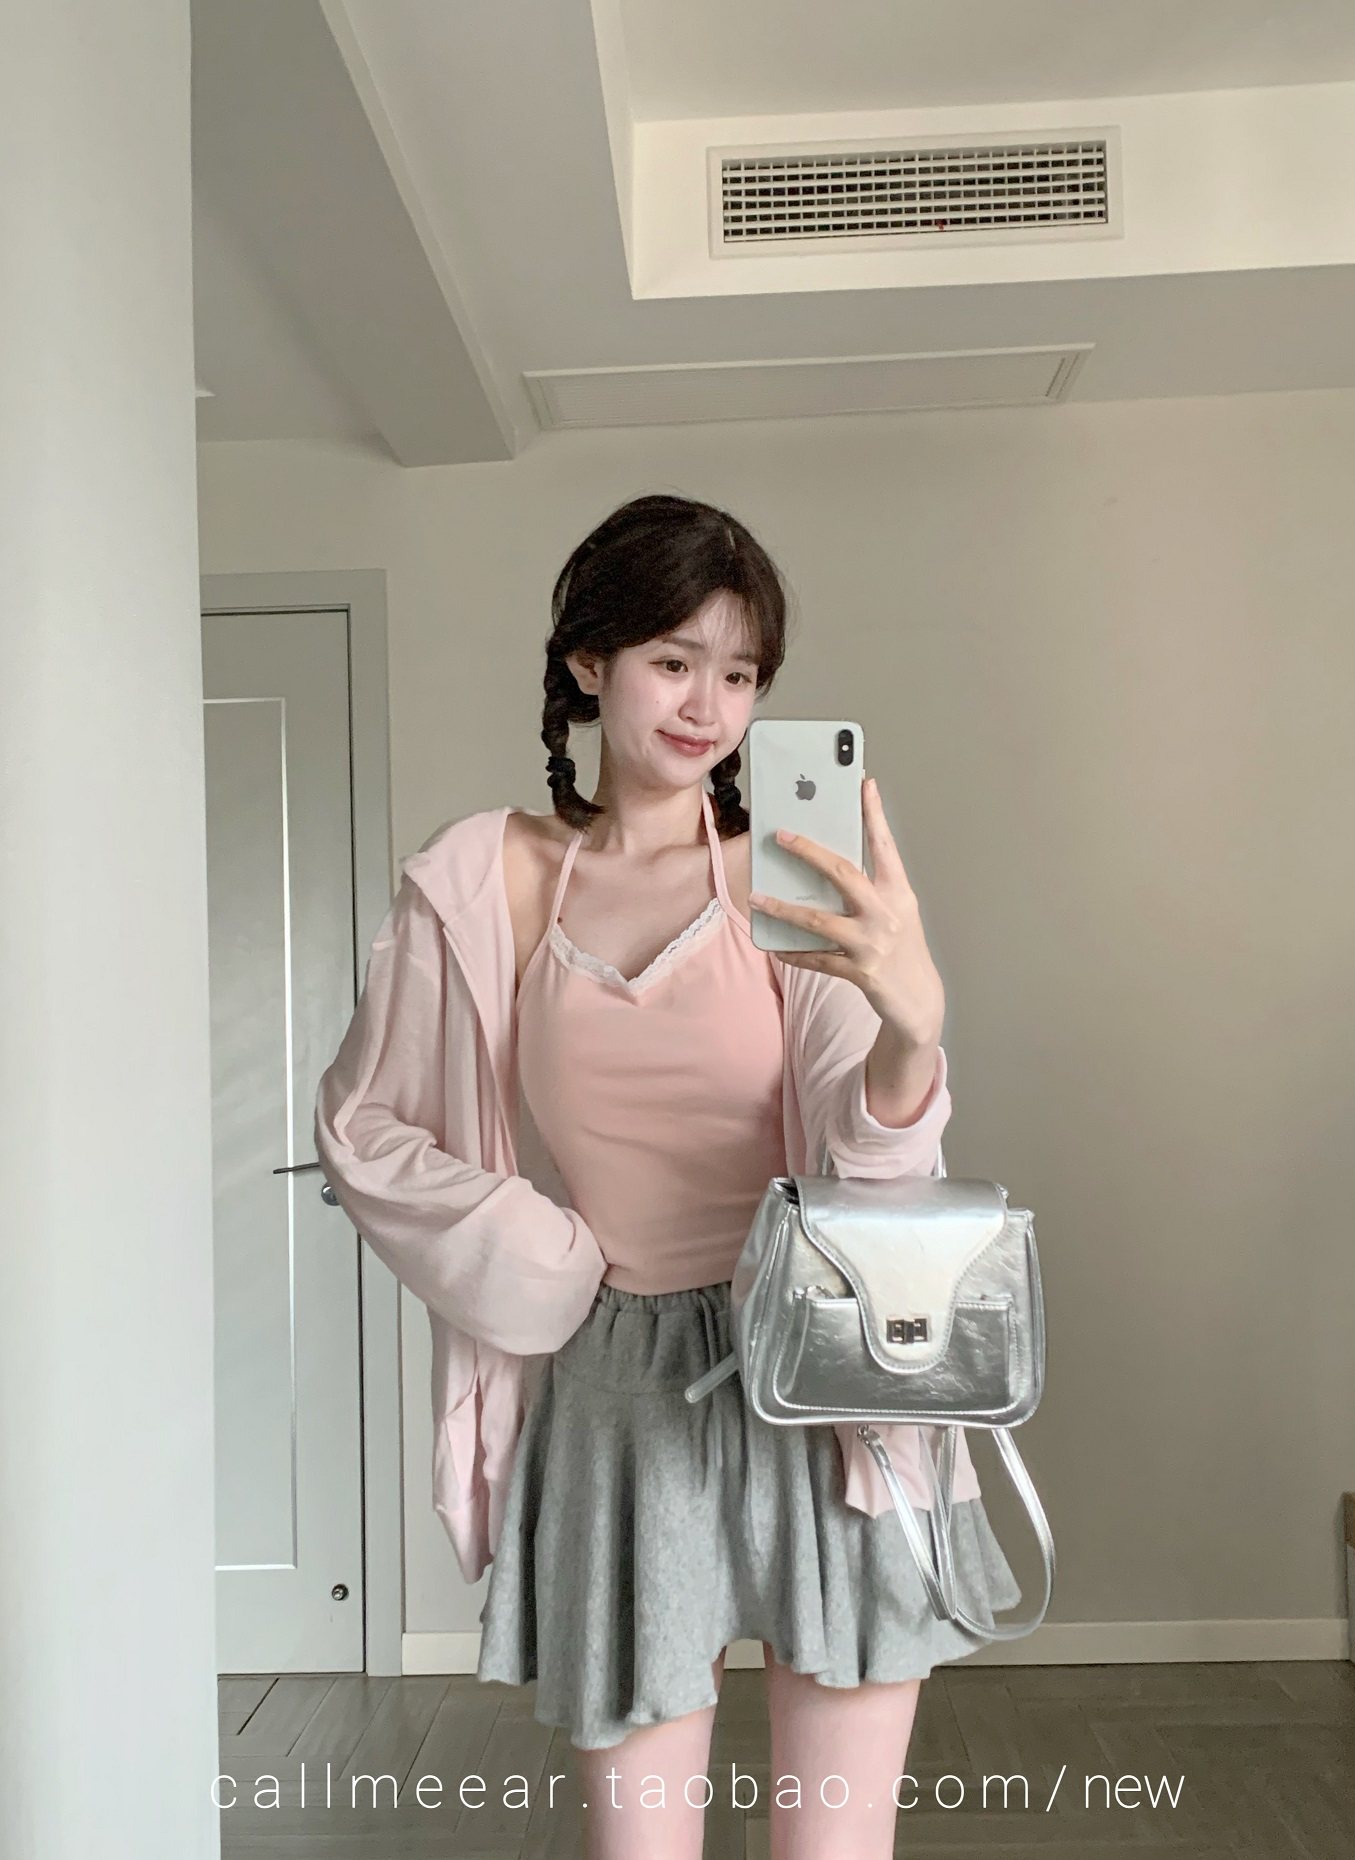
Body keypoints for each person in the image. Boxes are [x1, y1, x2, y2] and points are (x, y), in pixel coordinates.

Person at [314, 492, 1021, 1860]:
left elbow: (866, 1157)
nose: (710, 706)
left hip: (822, 1381)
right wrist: (538, 1254)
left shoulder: (792, 881)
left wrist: (912, 1031)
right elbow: (365, 1121)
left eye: (741, 673)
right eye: (674, 660)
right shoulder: (495, 879)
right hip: (618, 1387)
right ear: (589, 662)